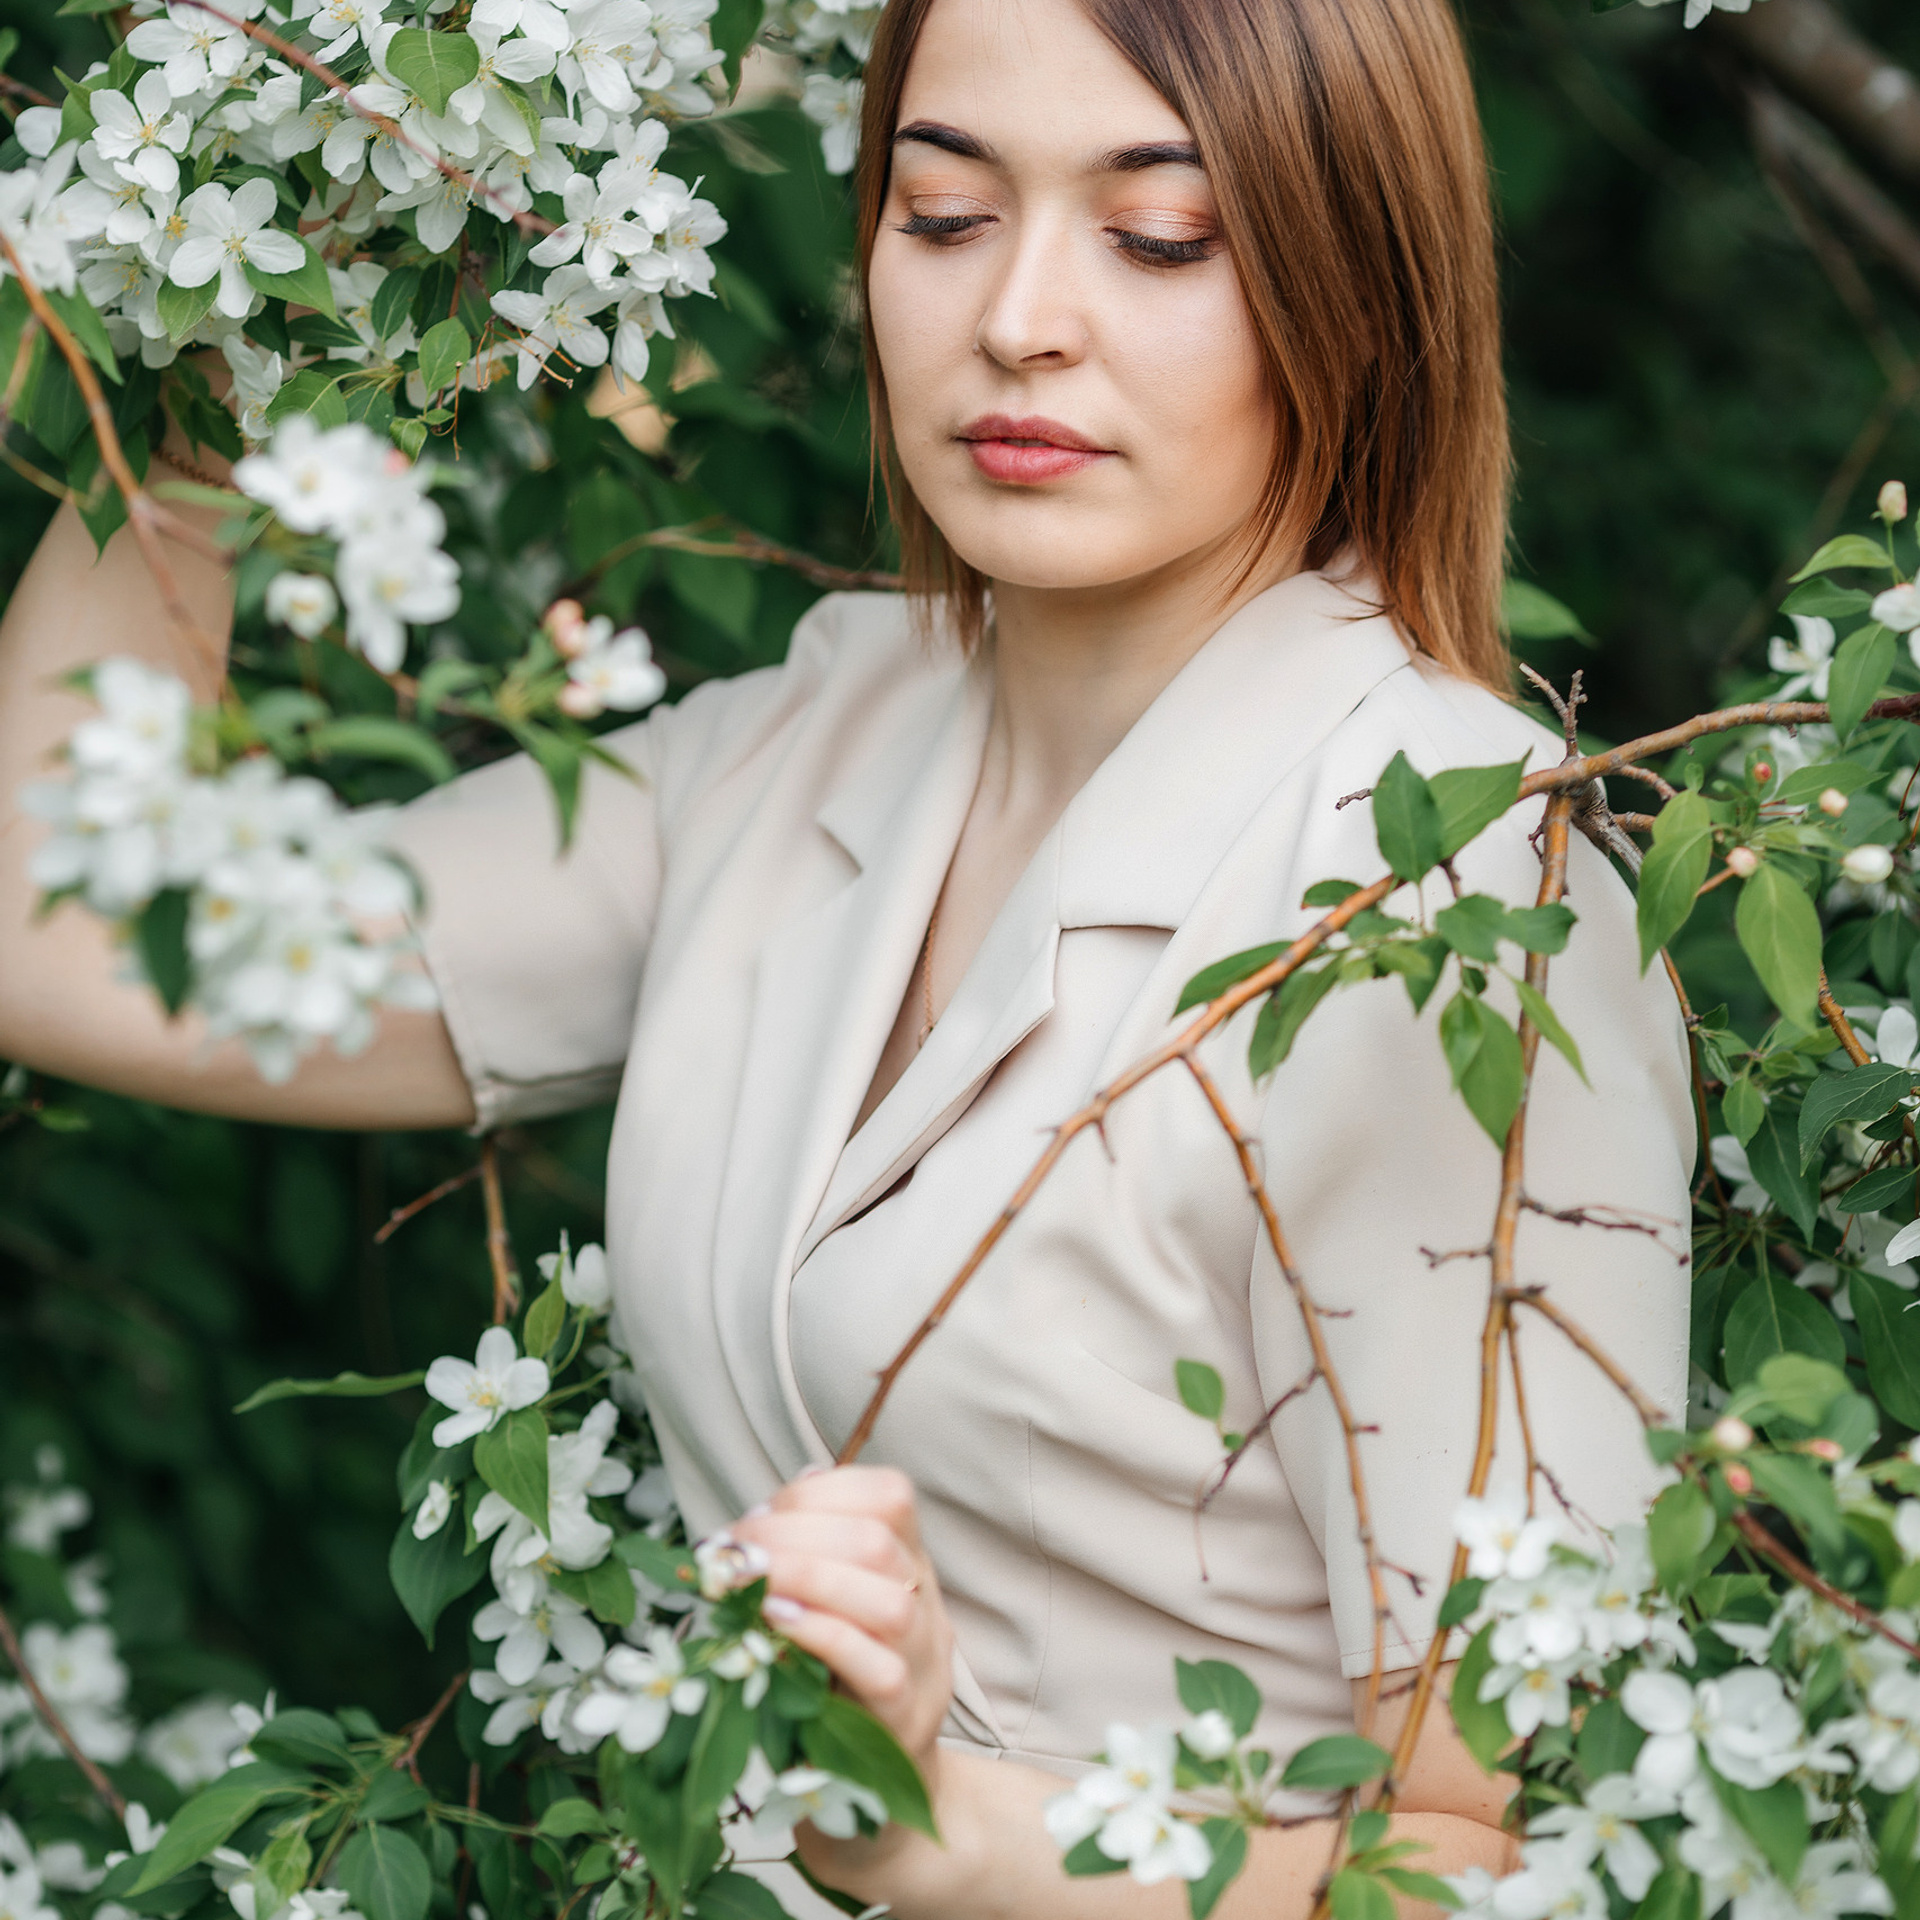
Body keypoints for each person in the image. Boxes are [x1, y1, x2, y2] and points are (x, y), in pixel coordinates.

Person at [0, 0, 1693, 1912]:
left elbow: (1528, 1855)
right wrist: (226, 272)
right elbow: (72, 933)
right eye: (944, 215)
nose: (1020, 318)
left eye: (1160, 236)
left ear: (1356, 285)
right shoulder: (813, 730)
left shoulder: (1462, 894)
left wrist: (937, 1832)